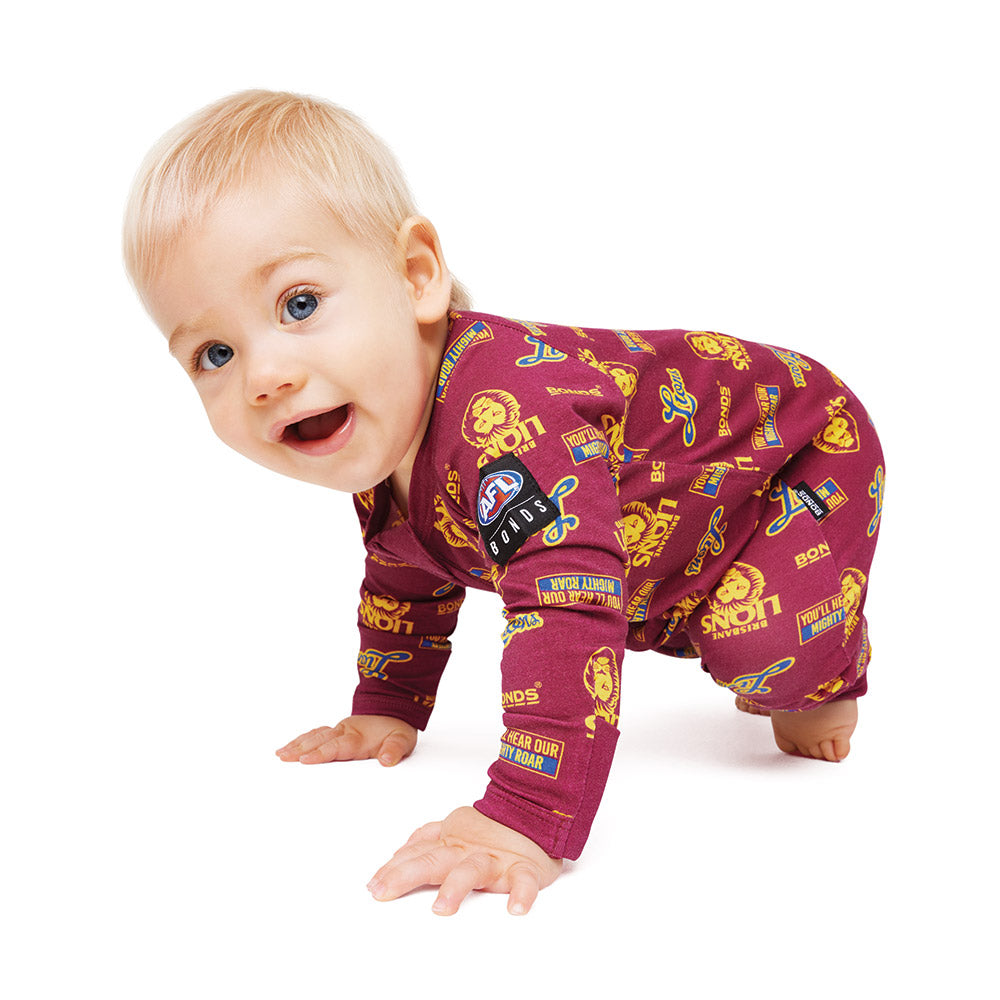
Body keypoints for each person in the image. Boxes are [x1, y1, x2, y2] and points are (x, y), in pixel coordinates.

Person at [123, 89, 885, 916]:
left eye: (299, 304)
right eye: (215, 353)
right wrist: (388, 706)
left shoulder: (506, 417)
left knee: (761, 649)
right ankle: (698, 605)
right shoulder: (388, 434)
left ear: (416, 276)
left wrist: (525, 814)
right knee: (648, 593)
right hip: (670, 515)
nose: (264, 376)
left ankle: (830, 664)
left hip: (798, 450)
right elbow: (409, 566)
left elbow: (563, 603)